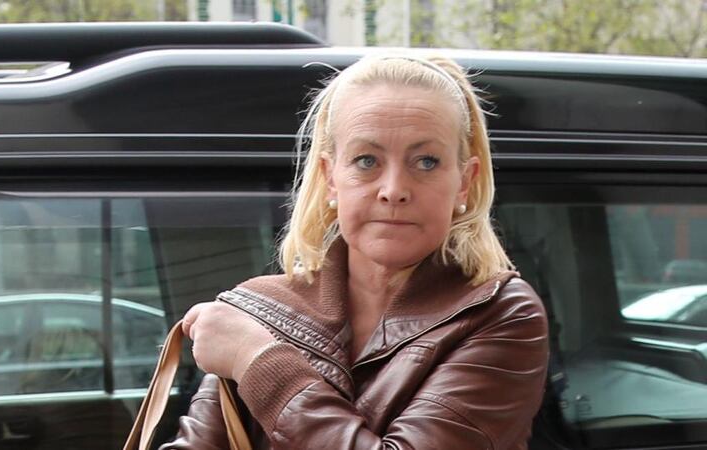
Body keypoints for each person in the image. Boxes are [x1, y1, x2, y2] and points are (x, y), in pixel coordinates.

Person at [160, 52, 549, 450]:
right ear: (331, 179)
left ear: (464, 183)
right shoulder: (260, 310)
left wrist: (256, 359)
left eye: (426, 162)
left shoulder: (500, 313)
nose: (394, 189)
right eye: (367, 160)